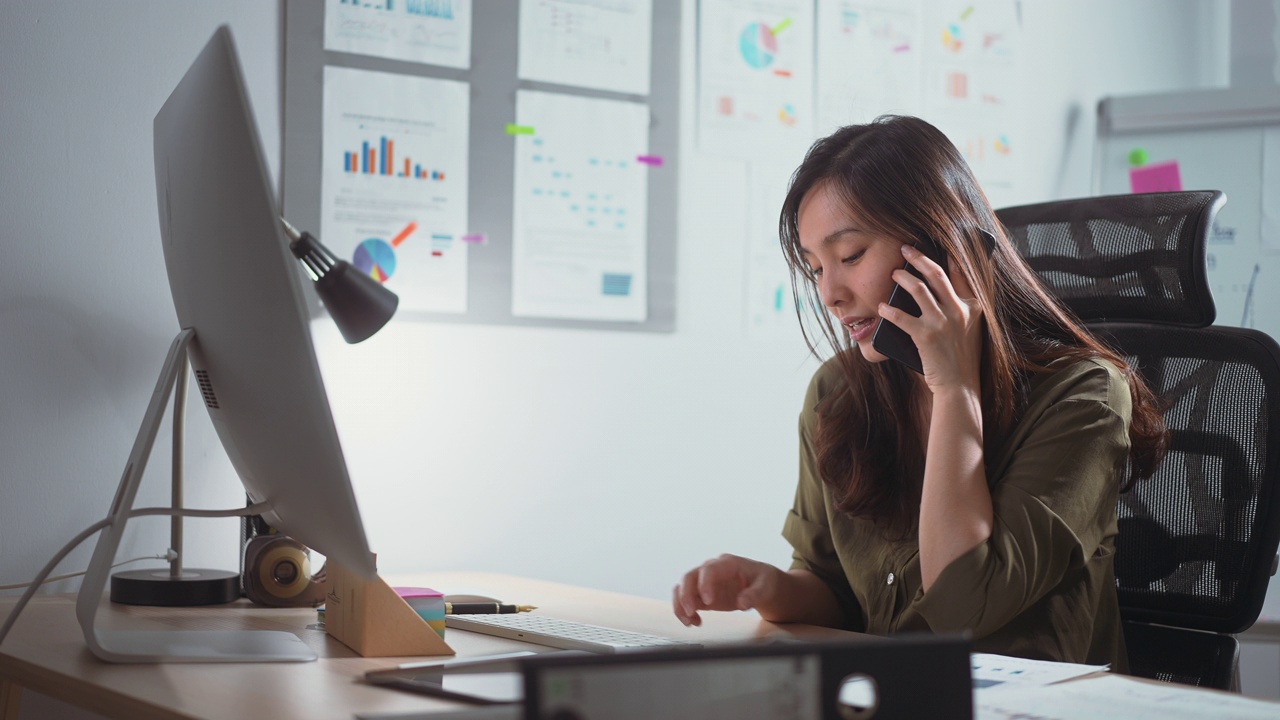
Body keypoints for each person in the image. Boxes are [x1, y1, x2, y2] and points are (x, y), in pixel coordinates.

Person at [671, 115, 1167, 669]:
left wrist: (954, 388)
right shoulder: (837, 393)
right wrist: (770, 590)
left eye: (851, 256)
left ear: (944, 252)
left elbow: (964, 609)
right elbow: (835, 589)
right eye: (815, 268)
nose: (830, 294)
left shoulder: (1084, 398)